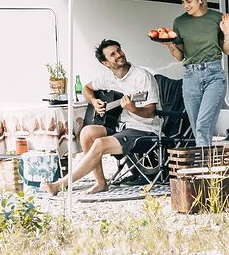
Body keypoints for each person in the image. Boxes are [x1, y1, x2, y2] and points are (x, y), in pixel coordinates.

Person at [41, 39, 160, 195]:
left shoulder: (142, 76)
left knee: (100, 143)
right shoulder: (108, 77)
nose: (119, 55)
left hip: (144, 129)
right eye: (113, 54)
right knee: (86, 132)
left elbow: (150, 112)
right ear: (106, 63)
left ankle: (60, 185)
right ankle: (100, 183)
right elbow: (86, 88)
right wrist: (94, 101)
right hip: (122, 126)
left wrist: (134, 109)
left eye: (119, 50)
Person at [163, 0, 229, 147]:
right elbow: (180, 57)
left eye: (189, 1)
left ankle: (203, 162)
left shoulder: (217, 18)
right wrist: (170, 44)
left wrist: (226, 33)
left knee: (202, 125)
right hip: (190, 77)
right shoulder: (180, 22)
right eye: (182, 2)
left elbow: (226, 50)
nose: (185, 6)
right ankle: (206, 161)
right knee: (198, 130)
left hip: (214, 75)